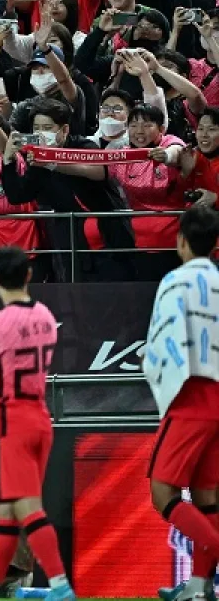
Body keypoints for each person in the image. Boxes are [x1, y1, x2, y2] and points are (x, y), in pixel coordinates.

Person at [0, 246, 71, 601]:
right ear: (28, 275)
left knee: (27, 509)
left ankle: (60, 586)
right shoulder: (44, 316)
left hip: (12, 423)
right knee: (7, 512)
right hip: (39, 418)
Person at [142, 205, 219, 601]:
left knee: (162, 492)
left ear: (181, 240)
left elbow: (161, 345)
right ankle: (199, 588)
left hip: (191, 397)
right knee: (207, 498)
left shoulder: (175, 281)